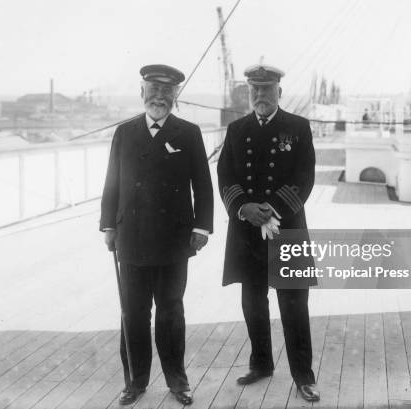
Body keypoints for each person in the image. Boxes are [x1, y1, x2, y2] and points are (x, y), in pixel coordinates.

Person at [100, 64, 214, 406]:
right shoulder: (125, 132)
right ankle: (134, 381)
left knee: (170, 311)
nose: (159, 97)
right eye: (153, 89)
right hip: (130, 237)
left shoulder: (188, 133)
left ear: (176, 95)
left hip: (173, 239)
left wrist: (201, 227)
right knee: (132, 313)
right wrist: (108, 226)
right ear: (142, 92)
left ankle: (177, 381)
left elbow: (203, 186)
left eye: (167, 91)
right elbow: (112, 183)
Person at [216, 64, 320, 402]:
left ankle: (304, 376)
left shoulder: (298, 127)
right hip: (247, 230)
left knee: (293, 304)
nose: (260, 95)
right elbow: (226, 176)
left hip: (286, 227)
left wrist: (271, 209)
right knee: (253, 301)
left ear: (279, 91)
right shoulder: (236, 130)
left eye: (267, 89)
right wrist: (244, 208)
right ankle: (261, 364)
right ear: (249, 92)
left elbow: (305, 177)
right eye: (255, 90)